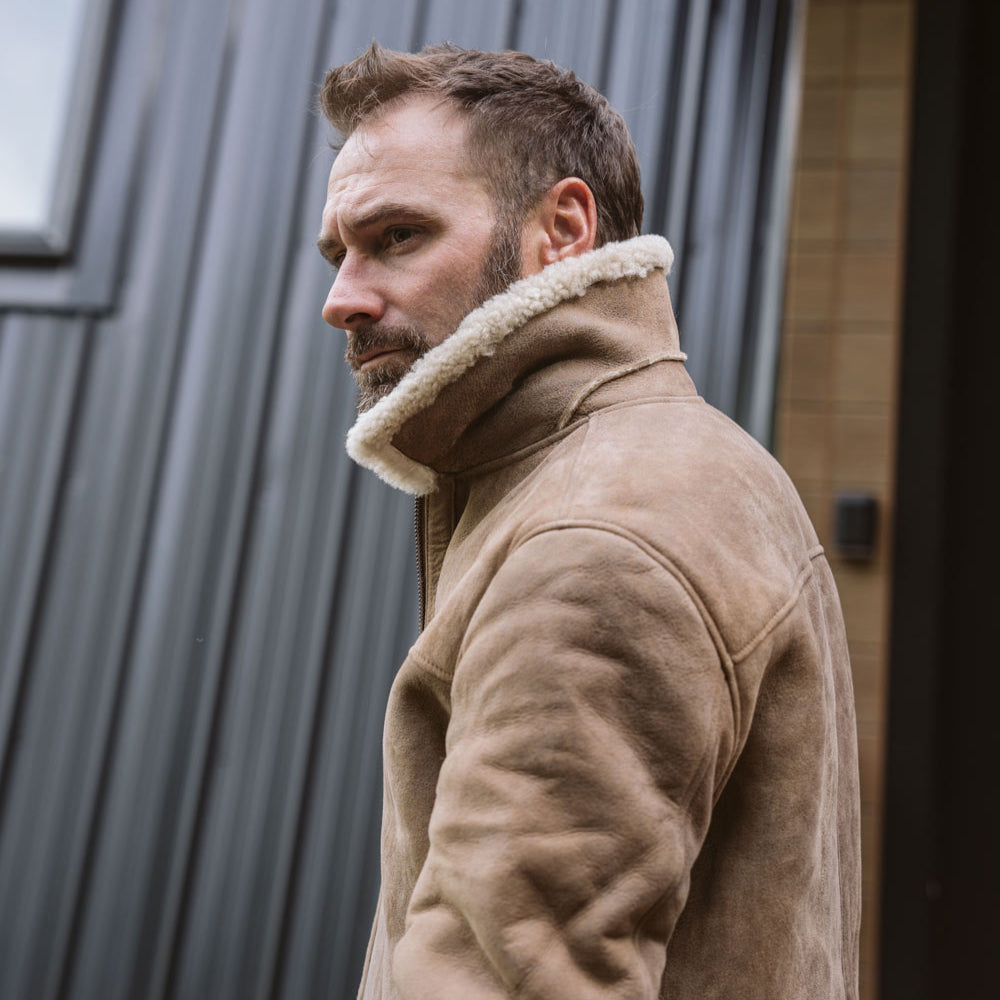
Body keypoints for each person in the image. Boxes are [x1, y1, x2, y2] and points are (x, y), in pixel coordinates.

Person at [316, 42, 861, 1000]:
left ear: (561, 229)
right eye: (339, 253)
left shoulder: (598, 535)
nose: (341, 300)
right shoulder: (676, 466)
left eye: (397, 235)